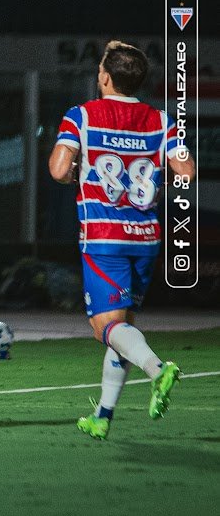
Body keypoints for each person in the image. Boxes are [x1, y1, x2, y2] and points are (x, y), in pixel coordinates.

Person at [48, 40, 193, 440]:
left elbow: (59, 170)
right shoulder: (161, 120)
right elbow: (187, 170)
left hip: (103, 236)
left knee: (104, 327)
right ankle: (103, 415)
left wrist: (79, 166)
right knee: (125, 324)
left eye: (100, 69)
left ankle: (158, 369)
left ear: (106, 78)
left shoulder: (82, 116)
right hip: (146, 238)